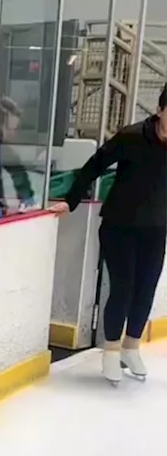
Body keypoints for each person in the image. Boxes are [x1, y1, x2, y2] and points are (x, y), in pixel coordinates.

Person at [50, 85, 167, 385]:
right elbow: (95, 166)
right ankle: (111, 351)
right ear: (160, 110)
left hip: (155, 229)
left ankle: (131, 346)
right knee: (124, 288)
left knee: (146, 289)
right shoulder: (132, 137)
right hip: (120, 226)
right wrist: (72, 200)